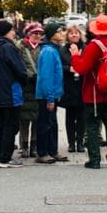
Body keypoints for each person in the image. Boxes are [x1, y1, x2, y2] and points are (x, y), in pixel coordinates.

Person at [71, 14, 107, 169]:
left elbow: (82, 68)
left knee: (93, 126)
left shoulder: (94, 46)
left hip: (94, 93)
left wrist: (75, 56)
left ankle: (94, 159)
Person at [0, 20, 27, 168]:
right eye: (12, 30)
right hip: (10, 91)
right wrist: (24, 79)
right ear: (6, 32)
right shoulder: (8, 47)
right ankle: (5, 158)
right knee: (11, 125)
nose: (14, 32)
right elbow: (20, 69)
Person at [34, 23, 67, 164]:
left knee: (52, 123)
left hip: (52, 93)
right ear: (52, 35)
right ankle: (42, 152)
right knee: (45, 123)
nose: (61, 34)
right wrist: (50, 97)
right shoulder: (48, 51)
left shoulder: (53, 49)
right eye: (58, 31)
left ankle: (52, 150)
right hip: (47, 95)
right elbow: (46, 76)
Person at [60, 25, 86, 153]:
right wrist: (68, 68)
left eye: (76, 33)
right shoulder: (63, 50)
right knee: (70, 117)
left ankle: (80, 142)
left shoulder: (86, 48)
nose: (74, 35)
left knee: (82, 117)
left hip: (82, 86)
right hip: (69, 87)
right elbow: (59, 66)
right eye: (71, 33)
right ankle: (71, 143)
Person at [17, 23, 41, 158]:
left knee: (37, 118)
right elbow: (19, 65)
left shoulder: (42, 48)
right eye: (34, 33)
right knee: (24, 118)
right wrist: (30, 75)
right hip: (26, 86)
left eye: (39, 33)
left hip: (39, 86)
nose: (37, 36)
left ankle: (34, 146)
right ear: (28, 34)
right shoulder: (21, 47)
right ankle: (24, 145)